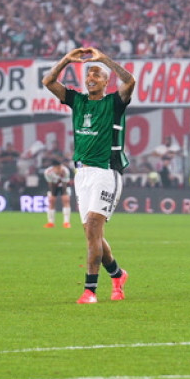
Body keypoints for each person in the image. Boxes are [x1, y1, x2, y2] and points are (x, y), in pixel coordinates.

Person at [42, 47, 134, 304]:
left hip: (107, 172)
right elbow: (48, 81)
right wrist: (65, 61)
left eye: (97, 75)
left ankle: (90, 291)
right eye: (88, 75)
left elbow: (130, 81)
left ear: (106, 81)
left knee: (94, 227)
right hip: (82, 174)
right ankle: (117, 274)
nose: (91, 78)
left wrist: (103, 59)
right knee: (93, 235)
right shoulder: (77, 101)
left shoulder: (114, 103)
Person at [43, 159, 72, 228]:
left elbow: (65, 184)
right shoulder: (47, 172)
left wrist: (64, 194)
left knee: (66, 200)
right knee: (51, 201)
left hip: (63, 185)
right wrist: (53, 195)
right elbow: (50, 184)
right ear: (53, 168)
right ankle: (51, 222)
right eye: (58, 168)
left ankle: (66, 222)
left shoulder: (65, 171)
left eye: (60, 167)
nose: (60, 169)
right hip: (53, 185)